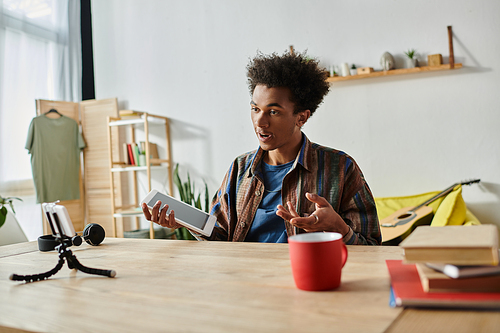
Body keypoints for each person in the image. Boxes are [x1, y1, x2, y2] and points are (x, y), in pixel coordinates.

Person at [142, 50, 381, 245]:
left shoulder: (340, 168)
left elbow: (372, 247)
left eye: (273, 112)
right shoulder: (240, 168)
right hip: (246, 283)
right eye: (255, 109)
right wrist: (183, 222)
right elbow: (221, 236)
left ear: (302, 117)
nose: (260, 121)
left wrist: (339, 228)